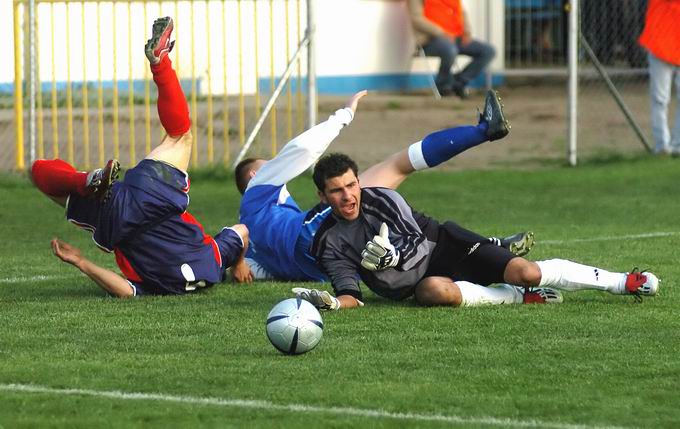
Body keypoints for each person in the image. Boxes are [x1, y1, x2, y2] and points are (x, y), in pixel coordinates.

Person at [30, 17, 250, 297]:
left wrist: (238, 262)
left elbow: (242, 231)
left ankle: (160, 63)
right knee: (43, 177)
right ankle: (81, 181)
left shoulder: (215, 259)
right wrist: (81, 262)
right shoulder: (166, 287)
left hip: (158, 196)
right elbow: (127, 291)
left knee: (179, 135)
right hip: (118, 219)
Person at [293, 152, 659, 311]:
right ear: (322, 195)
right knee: (439, 292)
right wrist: (331, 305)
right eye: (337, 190)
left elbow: (414, 240)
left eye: (352, 185)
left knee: (527, 272)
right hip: (415, 286)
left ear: (359, 182)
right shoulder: (326, 241)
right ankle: (518, 299)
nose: (348, 195)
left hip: (445, 246)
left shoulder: (382, 198)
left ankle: (622, 281)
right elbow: (351, 294)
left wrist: (392, 256)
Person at [235, 89, 532, 283]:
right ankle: (483, 130)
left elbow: (235, 255)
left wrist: (237, 264)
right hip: (315, 235)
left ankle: (494, 255)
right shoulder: (258, 190)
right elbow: (300, 150)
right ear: (252, 177)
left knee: (403, 258)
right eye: (266, 164)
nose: (273, 165)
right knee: (397, 166)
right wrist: (343, 116)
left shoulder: (254, 231)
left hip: (325, 265)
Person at [407, 0, 496, 98]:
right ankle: (443, 85)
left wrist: (467, 31)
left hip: (456, 37)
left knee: (488, 51)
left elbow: (461, 12)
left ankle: (458, 82)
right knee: (450, 50)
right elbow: (416, 19)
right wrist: (441, 33)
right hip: (431, 40)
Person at [638, 0, 680, 156]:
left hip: (663, 43)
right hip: (660, 44)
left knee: (659, 100)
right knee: (660, 99)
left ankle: (674, 145)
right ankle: (663, 145)